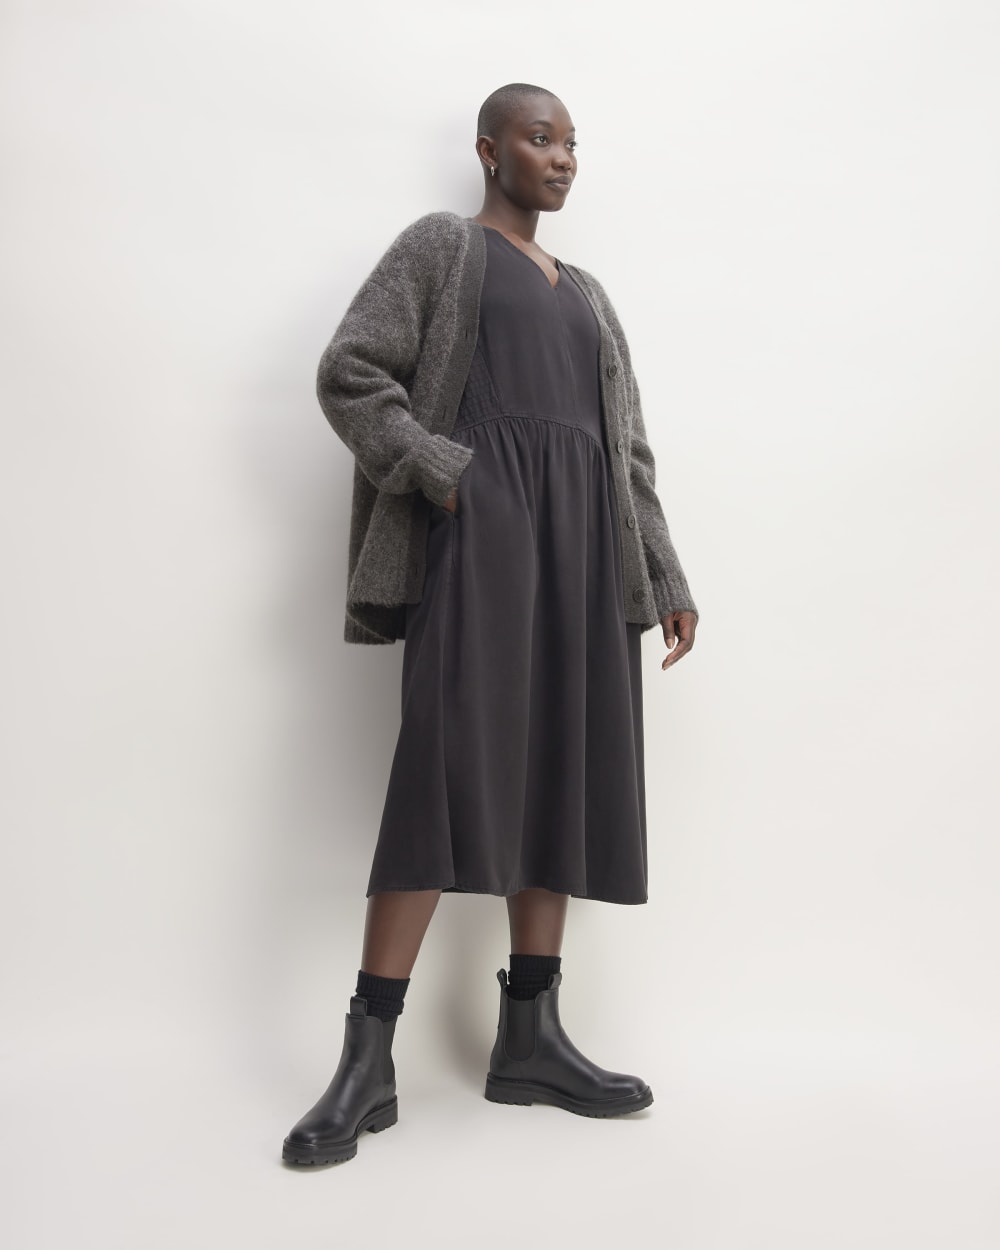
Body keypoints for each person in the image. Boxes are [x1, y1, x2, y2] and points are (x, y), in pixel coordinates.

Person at [281, 82, 699, 1166]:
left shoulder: (590, 295)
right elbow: (351, 372)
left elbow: (627, 450)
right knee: (442, 771)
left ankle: (531, 1038)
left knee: (560, 768)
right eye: (539, 138)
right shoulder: (442, 247)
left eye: (571, 143)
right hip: (483, 542)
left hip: (586, 553)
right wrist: (442, 470)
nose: (561, 158)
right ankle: (367, 1059)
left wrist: (661, 569)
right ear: (488, 149)